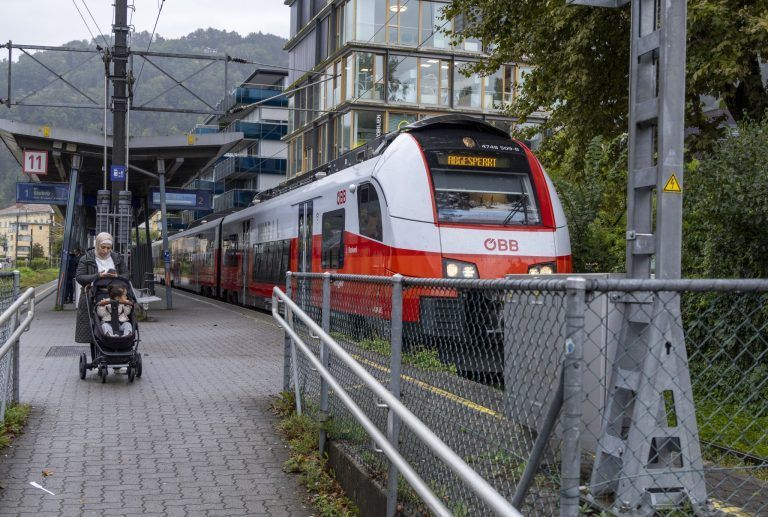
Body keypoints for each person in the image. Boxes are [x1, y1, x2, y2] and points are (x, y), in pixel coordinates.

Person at [75, 232, 127, 350]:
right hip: (94, 295)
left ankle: (120, 351)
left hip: (116, 294)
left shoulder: (116, 257)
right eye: (102, 247)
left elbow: (126, 274)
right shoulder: (86, 258)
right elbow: (79, 277)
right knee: (96, 326)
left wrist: (117, 276)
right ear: (97, 245)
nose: (105, 251)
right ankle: (97, 355)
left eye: (108, 248)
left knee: (119, 319)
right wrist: (97, 276)